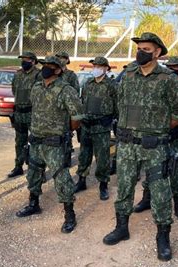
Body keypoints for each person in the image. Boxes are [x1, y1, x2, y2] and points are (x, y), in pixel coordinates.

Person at [102, 33, 178, 262]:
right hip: (128, 145)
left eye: (146, 48)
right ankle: (122, 228)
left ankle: (163, 238)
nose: (140, 52)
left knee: (160, 192)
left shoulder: (168, 79)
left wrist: (157, 129)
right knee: (124, 188)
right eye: (139, 48)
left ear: (158, 52)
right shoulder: (128, 75)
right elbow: (120, 104)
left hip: (155, 146)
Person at [16, 56, 84, 233]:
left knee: (61, 178)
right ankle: (33, 204)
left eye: (50, 66)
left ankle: (70, 215)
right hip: (36, 139)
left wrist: (63, 130)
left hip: (54, 143)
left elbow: (77, 117)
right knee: (33, 174)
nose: (45, 68)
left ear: (59, 70)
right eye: (44, 65)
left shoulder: (65, 90)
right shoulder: (37, 87)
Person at [134, 56, 178, 222]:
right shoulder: (157, 84)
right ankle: (146, 199)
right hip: (158, 135)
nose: (173, 70)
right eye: (169, 67)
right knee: (151, 168)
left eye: (176, 67)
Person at [75, 56, 118, 201]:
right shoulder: (88, 83)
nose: (96, 69)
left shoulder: (111, 85)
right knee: (84, 155)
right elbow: (82, 101)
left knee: (102, 158)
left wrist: (112, 119)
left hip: (102, 127)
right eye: (94, 66)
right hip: (87, 126)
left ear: (106, 68)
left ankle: (103, 185)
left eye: (99, 66)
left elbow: (117, 105)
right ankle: (81, 181)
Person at [8, 52, 41, 178]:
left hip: (32, 113)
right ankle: (18, 166)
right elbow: (13, 90)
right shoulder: (18, 75)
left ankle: (38, 169)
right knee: (19, 141)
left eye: (26, 59)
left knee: (36, 141)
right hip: (19, 113)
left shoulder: (38, 75)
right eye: (22, 60)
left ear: (33, 61)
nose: (23, 62)